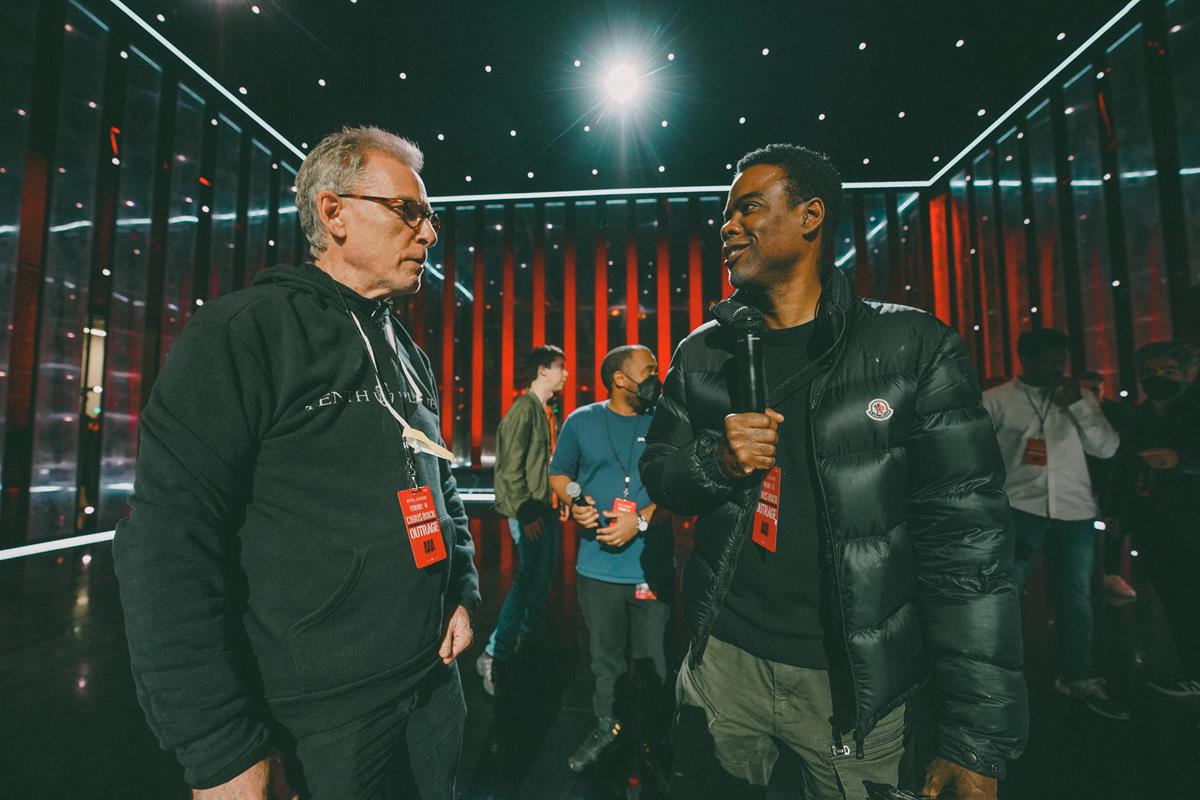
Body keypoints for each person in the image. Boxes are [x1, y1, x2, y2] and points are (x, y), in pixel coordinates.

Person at [640, 143, 1027, 800]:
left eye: (749, 209)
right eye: (726, 215)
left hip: (852, 678)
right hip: (722, 661)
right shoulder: (704, 352)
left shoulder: (912, 347)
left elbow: (970, 551)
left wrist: (975, 738)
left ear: (812, 216)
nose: (728, 227)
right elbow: (661, 475)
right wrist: (717, 460)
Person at [113, 126, 478, 800]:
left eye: (431, 217)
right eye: (409, 211)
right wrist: (220, 752)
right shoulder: (244, 332)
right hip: (324, 722)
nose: (429, 234)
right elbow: (166, 543)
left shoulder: (407, 350)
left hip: (433, 686)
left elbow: (440, 479)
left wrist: (460, 588)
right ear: (335, 211)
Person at [981, 329, 1126, 720]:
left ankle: (1076, 675)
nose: (1058, 367)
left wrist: (1080, 406)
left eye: (1062, 359)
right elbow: (976, 454)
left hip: (1075, 511)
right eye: (1050, 360)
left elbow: (1108, 447)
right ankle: (993, 677)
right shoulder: (996, 401)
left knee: (1076, 597)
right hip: (1018, 509)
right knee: (1004, 593)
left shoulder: (1080, 399)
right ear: (1025, 359)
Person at [547, 345, 674, 772]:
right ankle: (607, 727)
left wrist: (637, 522)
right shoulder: (581, 421)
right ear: (620, 379)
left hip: (650, 569)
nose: (657, 377)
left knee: (656, 661)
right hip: (596, 570)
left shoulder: (667, 421)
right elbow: (560, 473)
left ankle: (656, 739)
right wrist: (576, 500)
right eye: (649, 370)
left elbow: (679, 492)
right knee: (605, 661)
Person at [475, 345, 568, 696]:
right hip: (528, 511)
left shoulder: (544, 411)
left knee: (539, 579)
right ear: (542, 371)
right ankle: (493, 653)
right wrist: (526, 511)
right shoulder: (523, 409)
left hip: (540, 509)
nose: (565, 374)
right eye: (560, 367)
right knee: (529, 579)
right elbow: (509, 467)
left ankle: (522, 646)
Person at [1110, 342, 1200, 699]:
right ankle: (1193, 670)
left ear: (1187, 373)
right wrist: (1117, 510)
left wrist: (1182, 460)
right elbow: (1123, 465)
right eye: (1150, 373)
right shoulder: (1139, 415)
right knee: (1176, 599)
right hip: (1152, 523)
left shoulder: (1193, 409)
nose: (1157, 379)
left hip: (1192, 517)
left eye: (1168, 372)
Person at [1075, 370, 1136, 601]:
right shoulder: (1075, 411)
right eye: (1086, 389)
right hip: (1083, 474)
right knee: (1084, 526)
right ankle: (1093, 572)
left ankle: (1111, 572)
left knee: (1112, 524)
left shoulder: (1117, 411)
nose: (1090, 394)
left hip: (1111, 474)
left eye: (1094, 389)